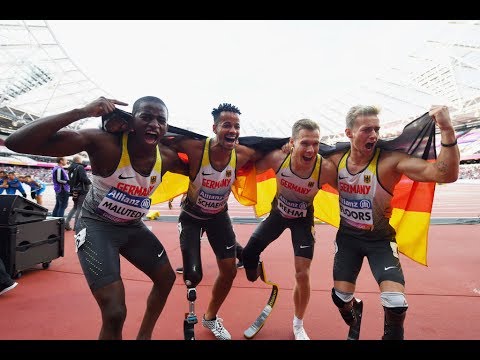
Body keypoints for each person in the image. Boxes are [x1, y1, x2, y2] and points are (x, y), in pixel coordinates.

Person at [4, 96, 189, 340]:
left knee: (165, 279)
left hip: (132, 227)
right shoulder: (103, 143)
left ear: (166, 128)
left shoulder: (167, 157)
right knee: (114, 312)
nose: (154, 124)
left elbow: (207, 165)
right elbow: (15, 142)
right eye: (146, 117)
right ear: (130, 122)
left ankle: (144, 336)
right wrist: (82, 111)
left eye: (161, 120)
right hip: (96, 226)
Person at [325, 105, 459, 340]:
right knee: (340, 298)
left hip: (380, 240)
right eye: (367, 129)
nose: (374, 135)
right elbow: (301, 162)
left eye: (376, 129)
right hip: (348, 240)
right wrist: (292, 148)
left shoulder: (390, 161)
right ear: (349, 133)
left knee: (396, 304)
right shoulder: (335, 160)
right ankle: (354, 312)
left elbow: (445, 174)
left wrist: (447, 129)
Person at [165, 103, 275, 340]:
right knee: (193, 274)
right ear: (214, 128)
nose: (233, 130)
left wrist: (287, 144)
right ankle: (190, 320)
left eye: (237, 126)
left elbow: (267, 150)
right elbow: (162, 137)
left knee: (229, 272)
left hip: (218, 217)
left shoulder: (243, 154)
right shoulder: (195, 148)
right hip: (191, 217)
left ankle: (210, 317)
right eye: (227, 125)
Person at [242, 118, 337, 340]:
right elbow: (245, 165)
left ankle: (298, 323)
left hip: (303, 221)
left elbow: (349, 188)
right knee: (248, 253)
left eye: (316, 143)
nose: (311, 149)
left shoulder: (324, 169)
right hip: (277, 216)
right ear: (292, 142)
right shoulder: (278, 158)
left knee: (302, 274)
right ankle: (253, 266)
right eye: (305, 143)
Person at [65, 154, 92, 231]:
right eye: (81, 160)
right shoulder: (80, 167)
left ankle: (66, 223)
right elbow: (83, 178)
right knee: (80, 208)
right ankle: (76, 226)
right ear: (78, 160)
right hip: (82, 190)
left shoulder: (70, 168)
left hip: (74, 189)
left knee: (75, 207)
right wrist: (90, 182)